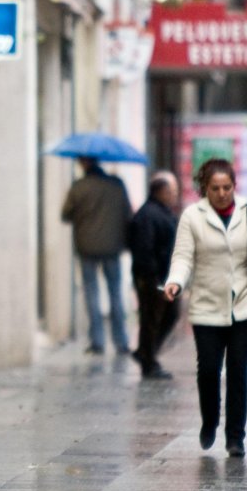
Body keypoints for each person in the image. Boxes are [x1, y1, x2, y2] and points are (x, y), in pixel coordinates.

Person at [163, 158, 247, 458]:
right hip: (206, 305)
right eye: (215, 188)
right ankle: (210, 420)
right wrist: (176, 281)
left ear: (234, 185)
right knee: (208, 370)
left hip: (244, 305)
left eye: (227, 187)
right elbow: (183, 256)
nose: (222, 193)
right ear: (204, 188)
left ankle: (235, 438)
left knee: (237, 370)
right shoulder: (192, 216)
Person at [61, 158, 133, 355]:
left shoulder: (78, 187)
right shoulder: (117, 184)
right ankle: (121, 341)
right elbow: (127, 212)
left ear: (84, 164)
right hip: (112, 247)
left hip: (87, 247)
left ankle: (97, 342)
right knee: (115, 293)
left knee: (91, 294)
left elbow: (65, 214)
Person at [129, 171, 180, 379]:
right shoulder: (148, 215)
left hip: (164, 276)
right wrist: (154, 280)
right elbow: (144, 249)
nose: (174, 195)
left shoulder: (162, 212)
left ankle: (146, 353)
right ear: (161, 191)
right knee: (152, 318)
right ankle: (148, 359)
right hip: (153, 277)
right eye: (171, 191)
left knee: (168, 314)